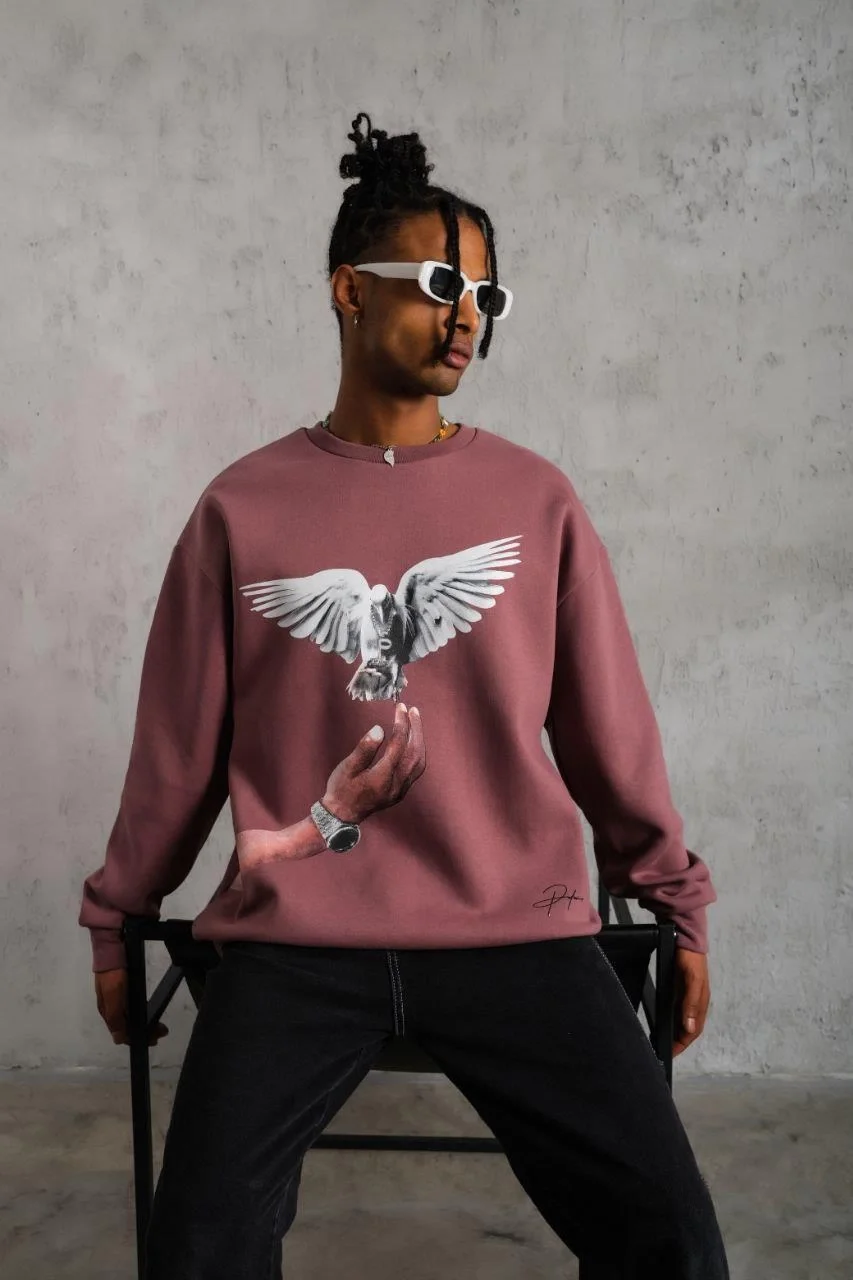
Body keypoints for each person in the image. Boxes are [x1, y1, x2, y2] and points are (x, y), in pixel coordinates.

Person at [80, 111, 730, 1278]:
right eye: (438, 284)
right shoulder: (242, 507)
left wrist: (675, 901)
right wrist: (118, 914)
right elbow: (177, 747)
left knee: (671, 1237)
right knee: (198, 1245)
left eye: (484, 293)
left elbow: (609, 733)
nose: (466, 315)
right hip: (294, 939)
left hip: (516, 925)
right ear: (349, 289)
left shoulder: (536, 500)